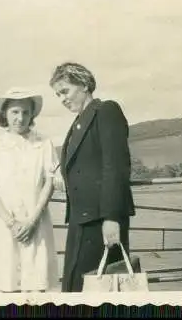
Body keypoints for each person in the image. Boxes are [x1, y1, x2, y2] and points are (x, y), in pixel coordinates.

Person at [48, 62, 136, 292]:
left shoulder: (105, 111)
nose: (62, 99)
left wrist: (111, 218)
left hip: (101, 220)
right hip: (81, 219)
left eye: (65, 91)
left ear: (84, 85)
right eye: (58, 94)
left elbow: (115, 167)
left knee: (97, 287)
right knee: (77, 285)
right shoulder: (79, 122)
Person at [0, 87, 59, 293]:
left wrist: (32, 220)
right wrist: (11, 223)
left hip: (36, 221)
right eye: (15, 112)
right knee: (6, 283)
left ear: (32, 114)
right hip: (5, 224)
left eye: (25, 112)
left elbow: (48, 184)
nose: (20, 118)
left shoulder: (44, 144)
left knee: (37, 284)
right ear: (4, 114)